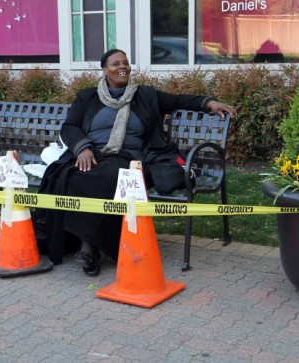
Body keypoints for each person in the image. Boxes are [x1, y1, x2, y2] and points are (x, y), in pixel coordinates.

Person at [35, 49, 237, 276]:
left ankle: (90, 246)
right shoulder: (87, 97)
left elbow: (180, 99)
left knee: (111, 176)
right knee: (68, 175)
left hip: (130, 158)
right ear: (105, 70)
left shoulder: (145, 95)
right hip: (93, 154)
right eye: (115, 64)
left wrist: (209, 103)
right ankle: (88, 242)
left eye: (126, 63)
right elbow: (70, 127)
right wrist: (82, 148)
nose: (122, 67)